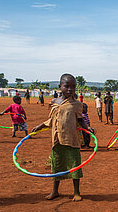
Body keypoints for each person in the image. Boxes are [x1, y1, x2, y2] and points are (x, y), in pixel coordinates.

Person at [31, 74, 94, 202]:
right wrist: (40, 126)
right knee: (57, 165)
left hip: (71, 139)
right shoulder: (54, 102)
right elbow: (52, 119)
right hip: (57, 139)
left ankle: (76, 192)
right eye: (67, 86)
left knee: (74, 165)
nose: (70, 89)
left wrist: (88, 128)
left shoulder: (77, 104)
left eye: (73, 87)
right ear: (60, 86)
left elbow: (80, 120)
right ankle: (55, 191)